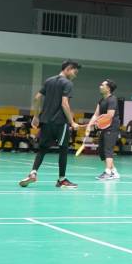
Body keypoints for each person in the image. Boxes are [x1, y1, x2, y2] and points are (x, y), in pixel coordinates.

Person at [18, 60, 81, 189]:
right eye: (75, 72)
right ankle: (62, 180)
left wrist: (36, 116)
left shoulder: (49, 81)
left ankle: (33, 172)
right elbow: (64, 104)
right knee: (63, 150)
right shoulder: (67, 83)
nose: (75, 75)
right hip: (60, 122)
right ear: (68, 69)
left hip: (46, 121)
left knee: (42, 149)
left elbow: (37, 98)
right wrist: (72, 122)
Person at [89, 79, 121, 180]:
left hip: (112, 127)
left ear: (108, 88)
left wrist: (97, 122)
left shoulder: (112, 99)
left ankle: (108, 172)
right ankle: (114, 171)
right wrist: (90, 124)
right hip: (104, 127)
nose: (100, 86)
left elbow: (110, 115)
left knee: (108, 149)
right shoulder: (101, 100)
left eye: (102, 85)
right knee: (102, 150)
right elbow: (96, 114)